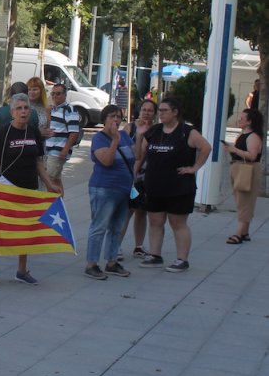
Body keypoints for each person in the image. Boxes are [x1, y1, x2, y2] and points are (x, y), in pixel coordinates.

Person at [0, 94, 59, 286]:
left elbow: (38, 162)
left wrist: (50, 185)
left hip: (29, 187)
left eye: (26, 108)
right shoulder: (5, 132)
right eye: (19, 108)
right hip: (8, 186)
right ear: (12, 112)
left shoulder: (34, 132)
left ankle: (22, 270)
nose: (23, 111)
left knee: (26, 228)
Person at [135, 97, 211, 272]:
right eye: (159, 110)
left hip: (179, 187)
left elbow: (206, 147)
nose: (160, 114)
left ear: (175, 112)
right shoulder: (154, 131)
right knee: (155, 220)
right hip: (154, 185)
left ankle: (182, 259)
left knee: (177, 222)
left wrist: (194, 167)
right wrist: (139, 135)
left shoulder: (187, 132)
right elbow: (139, 155)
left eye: (164, 110)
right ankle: (155, 255)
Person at [83, 105, 134, 280]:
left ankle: (112, 262)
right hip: (104, 188)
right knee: (99, 226)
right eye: (112, 116)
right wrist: (114, 141)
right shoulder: (99, 138)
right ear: (104, 119)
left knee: (116, 227)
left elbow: (136, 157)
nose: (116, 120)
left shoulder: (126, 136)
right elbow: (106, 161)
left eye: (119, 117)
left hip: (123, 188)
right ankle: (92, 264)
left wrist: (141, 136)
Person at [120, 99, 158, 257]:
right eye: (144, 109)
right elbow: (125, 150)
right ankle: (116, 246)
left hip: (149, 177)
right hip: (132, 175)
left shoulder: (157, 129)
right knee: (127, 211)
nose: (146, 113)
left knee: (142, 211)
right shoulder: (131, 127)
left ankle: (139, 246)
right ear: (139, 110)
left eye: (150, 110)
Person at [223, 109, 264, 244]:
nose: (238, 120)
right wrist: (231, 150)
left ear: (249, 121)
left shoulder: (253, 136)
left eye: (242, 118)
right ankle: (244, 232)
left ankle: (238, 234)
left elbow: (252, 156)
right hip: (239, 168)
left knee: (245, 202)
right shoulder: (244, 135)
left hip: (247, 170)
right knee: (242, 201)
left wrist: (234, 150)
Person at [45, 83, 79, 194]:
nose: (55, 96)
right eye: (53, 93)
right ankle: (60, 206)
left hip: (58, 151)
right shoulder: (54, 109)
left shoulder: (69, 110)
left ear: (65, 95)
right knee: (56, 180)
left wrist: (65, 149)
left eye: (58, 94)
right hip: (50, 150)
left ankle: (48, 207)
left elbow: (74, 132)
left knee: (47, 180)